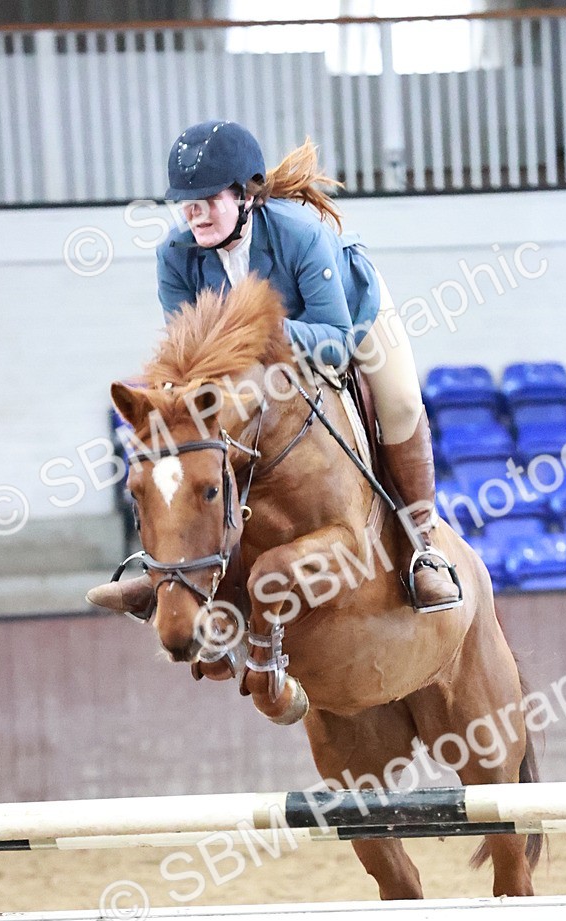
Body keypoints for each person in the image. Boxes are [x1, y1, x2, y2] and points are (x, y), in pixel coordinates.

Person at [88, 120, 461, 616]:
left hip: (348, 318)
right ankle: (167, 572)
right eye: (186, 202)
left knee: (402, 402)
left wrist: (266, 332)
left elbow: (335, 343)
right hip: (253, 360)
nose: (195, 213)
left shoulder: (301, 235)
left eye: (209, 199)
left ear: (246, 196)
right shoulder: (174, 255)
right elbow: (184, 357)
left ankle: (424, 549)